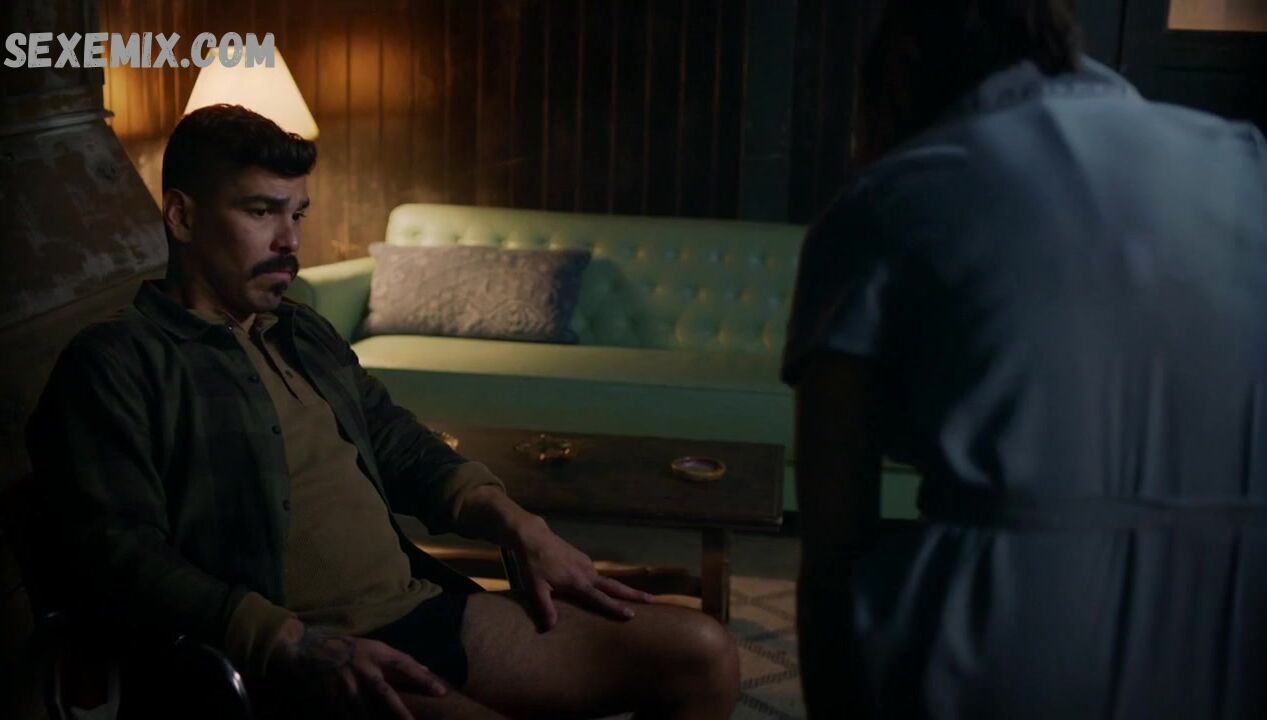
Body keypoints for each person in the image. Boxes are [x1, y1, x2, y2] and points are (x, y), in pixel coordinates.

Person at [26, 103, 739, 720]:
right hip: (299, 655)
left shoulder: (299, 329)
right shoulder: (118, 362)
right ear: (182, 216)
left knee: (703, 653)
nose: (290, 241)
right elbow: (118, 557)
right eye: (260, 212)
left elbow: (397, 440)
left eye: (297, 213)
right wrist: (289, 641)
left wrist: (517, 523)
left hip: (419, 608)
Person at [783, 1, 1267, 718]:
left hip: (997, 655)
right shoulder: (1245, 159)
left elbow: (831, 554)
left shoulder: (886, 198)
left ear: (898, 80)